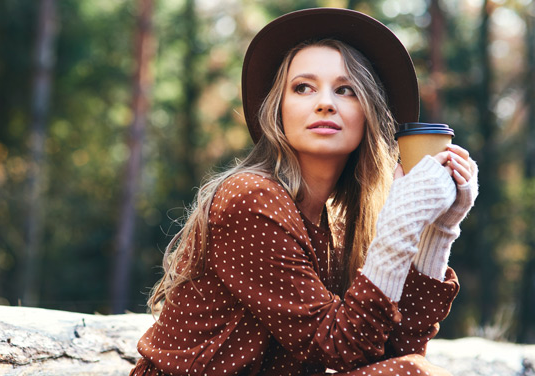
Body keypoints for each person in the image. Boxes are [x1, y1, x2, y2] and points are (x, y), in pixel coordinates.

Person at [130, 7, 478, 376]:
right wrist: (403, 218)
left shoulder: (338, 226)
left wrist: (439, 230)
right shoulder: (251, 198)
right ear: (277, 111)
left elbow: (396, 349)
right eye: (303, 87)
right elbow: (341, 348)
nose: (325, 102)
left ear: (370, 114)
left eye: (346, 90)